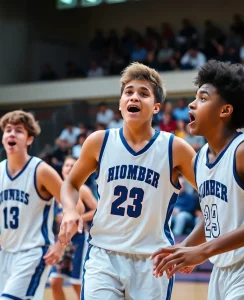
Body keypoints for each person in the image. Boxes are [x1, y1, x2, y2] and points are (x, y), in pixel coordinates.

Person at [151, 60, 244, 299]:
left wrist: (204, 250)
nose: (192, 103)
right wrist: (185, 247)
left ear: (225, 110)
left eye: (203, 98)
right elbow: (212, 217)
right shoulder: (199, 160)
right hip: (222, 270)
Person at [58, 62, 196, 300]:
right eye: (128, 92)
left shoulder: (175, 148)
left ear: (156, 107)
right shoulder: (98, 142)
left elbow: (213, 194)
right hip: (104, 254)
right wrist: (70, 210)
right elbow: (70, 184)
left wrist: (194, 244)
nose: (134, 97)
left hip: (153, 259)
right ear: (121, 103)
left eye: (143, 93)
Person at [0, 110, 65, 300]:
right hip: (5, 251)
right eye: (8, 130)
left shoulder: (41, 171)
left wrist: (61, 245)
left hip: (33, 253)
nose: (11, 134)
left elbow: (73, 205)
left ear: (29, 139)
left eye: (18, 130)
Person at [50, 156, 97, 300]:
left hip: (79, 240)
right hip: (62, 240)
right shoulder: (55, 189)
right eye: (66, 165)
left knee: (77, 284)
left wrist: (78, 218)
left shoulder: (82, 189)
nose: (69, 168)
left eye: (72, 165)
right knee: (55, 281)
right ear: (62, 169)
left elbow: (97, 210)